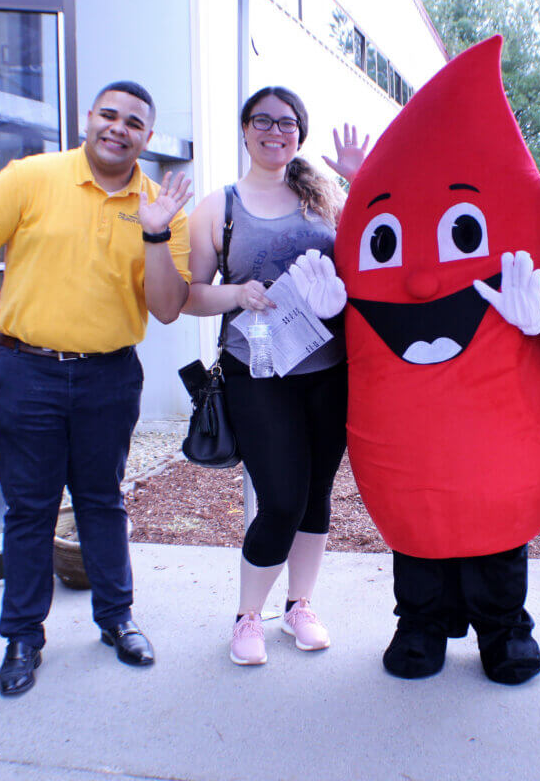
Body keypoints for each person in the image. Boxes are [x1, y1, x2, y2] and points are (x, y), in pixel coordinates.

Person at [0, 80, 193, 697]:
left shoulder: (159, 204)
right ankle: (23, 636)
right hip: (26, 370)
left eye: (133, 122)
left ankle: (117, 619)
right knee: (30, 510)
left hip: (109, 375)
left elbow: (167, 308)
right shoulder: (31, 177)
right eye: (108, 115)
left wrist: (157, 232)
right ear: (89, 118)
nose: (118, 128)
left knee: (102, 500)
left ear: (147, 136)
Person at [182, 86, 366, 666]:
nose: (274, 131)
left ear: (299, 135)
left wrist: (358, 181)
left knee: (315, 494)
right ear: (244, 129)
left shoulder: (325, 199)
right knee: (281, 496)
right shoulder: (220, 207)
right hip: (257, 371)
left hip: (327, 368)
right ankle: (247, 617)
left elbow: (369, 255)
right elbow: (189, 296)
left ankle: (300, 606)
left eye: (287, 123)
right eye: (262, 121)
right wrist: (237, 293)